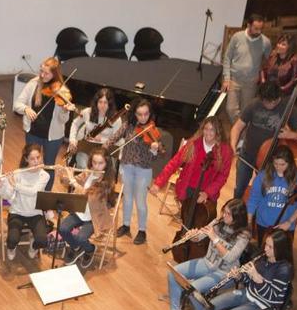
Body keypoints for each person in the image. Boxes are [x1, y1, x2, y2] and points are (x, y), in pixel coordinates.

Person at [176, 229, 293, 310]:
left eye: (271, 247)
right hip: (250, 293)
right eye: (266, 244)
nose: (266, 249)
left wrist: (257, 278)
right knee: (211, 305)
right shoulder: (262, 258)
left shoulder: (284, 270)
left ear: (280, 249)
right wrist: (239, 276)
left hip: (264, 306)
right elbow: (248, 281)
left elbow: (272, 296)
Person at [159, 198, 251, 310]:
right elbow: (199, 238)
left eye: (228, 214)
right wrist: (194, 235)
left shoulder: (244, 235)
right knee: (173, 273)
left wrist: (214, 238)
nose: (224, 215)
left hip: (225, 272)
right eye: (224, 211)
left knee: (192, 289)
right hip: (207, 262)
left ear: (238, 217)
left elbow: (231, 257)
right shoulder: (219, 222)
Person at [230, 81, 297, 199]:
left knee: (262, 193)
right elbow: (237, 127)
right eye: (265, 101)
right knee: (240, 188)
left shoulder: (288, 108)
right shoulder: (254, 104)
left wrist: (291, 134)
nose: (268, 105)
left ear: (278, 98)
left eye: (271, 102)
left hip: (269, 161)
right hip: (247, 154)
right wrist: (233, 145)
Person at [104, 98, 162, 245]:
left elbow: (155, 158)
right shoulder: (128, 125)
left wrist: (154, 150)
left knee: (141, 202)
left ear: (150, 114)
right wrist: (105, 145)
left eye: (146, 114)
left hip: (143, 170)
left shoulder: (153, 131)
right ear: (134, 114)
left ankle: (142, 231)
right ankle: (126, 225)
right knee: (127, 198)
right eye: (139, 114)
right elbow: (115, 136)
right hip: (127, 167)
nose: (143, 118)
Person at [14, 57, 77, 189]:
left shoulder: (61, 91)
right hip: (33, 132)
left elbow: (63, 121)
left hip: (53, 137)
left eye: (46, 73)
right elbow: (17, 104)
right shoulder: (33, 83)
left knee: (48, 166)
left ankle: (45, 198)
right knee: (30, 164)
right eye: (41, 71)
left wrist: (65, 111)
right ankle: (28, 191)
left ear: (54, 74)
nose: (42, 75)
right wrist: (26, 109)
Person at [150, 115, 233, 209]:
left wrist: (207, 193)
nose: (208, 133)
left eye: (212, 130)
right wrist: (158, 183)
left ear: (218, 132)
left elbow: (222, 176)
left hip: (206, 193)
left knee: (197, 221)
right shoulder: (193, 144)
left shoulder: (225, 151)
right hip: (187, 189)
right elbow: (174, 163)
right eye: (206, 129)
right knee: (185, 219)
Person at [55, 148, 115, 268]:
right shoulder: (88, 173)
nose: (96, 166)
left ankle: (90, 249)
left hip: (94, 217)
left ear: (106, 164)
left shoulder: (106, 182)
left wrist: (73, 181)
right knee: (62, 229)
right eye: (94, 162)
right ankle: (75, 246)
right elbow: (68, 182)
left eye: (100, 163)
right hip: (80, 211)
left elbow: (90, 196)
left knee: (81, 237)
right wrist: (63, 174)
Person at [0, 144, 51, 261]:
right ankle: (11, 248)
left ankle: (33, 246)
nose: (36, 162)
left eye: (38, 157)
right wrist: (1, 187)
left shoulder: (44, 175)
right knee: (11, 241)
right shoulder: (18, 173)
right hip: (17, 212)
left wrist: (15, 185)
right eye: (32, 159)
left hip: (36, 213)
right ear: (26, 159)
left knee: (42, 241)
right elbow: (8, 195)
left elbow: (34, 192)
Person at [247, 145, 297, 242]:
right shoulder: (263, 176)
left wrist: (289, 222)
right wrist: (249, 221)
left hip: (286, 226)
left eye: (282, 164)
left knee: (281, 255)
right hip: (263, 224)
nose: (278, 167)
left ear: (290, 163)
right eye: (275, 164)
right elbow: (253, 199)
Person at [222, 14, 271, 123]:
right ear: (248, 25)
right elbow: (227, 57)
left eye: (261, 29)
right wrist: (226, 78)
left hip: (251, 83)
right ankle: (238, 131)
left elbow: (267, 62)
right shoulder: (237, 37)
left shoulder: (266, 42)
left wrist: (261, 75)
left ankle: (240, 136)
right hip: (234, 80)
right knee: (230, 109)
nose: (259, 31)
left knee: (245, 112)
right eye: (256, 28)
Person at [67, 88, 120, 169]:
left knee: (100, 170)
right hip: (86, 148)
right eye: (100, 102)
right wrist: (72, 139)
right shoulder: (87, 112)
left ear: (110, 104)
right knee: (83, 166)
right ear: (96, 102)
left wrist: (102, 140)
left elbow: (117, 138)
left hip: (105, 152)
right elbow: (75, 124)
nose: (102, 105)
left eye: (105, 103)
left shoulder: (116, 118)